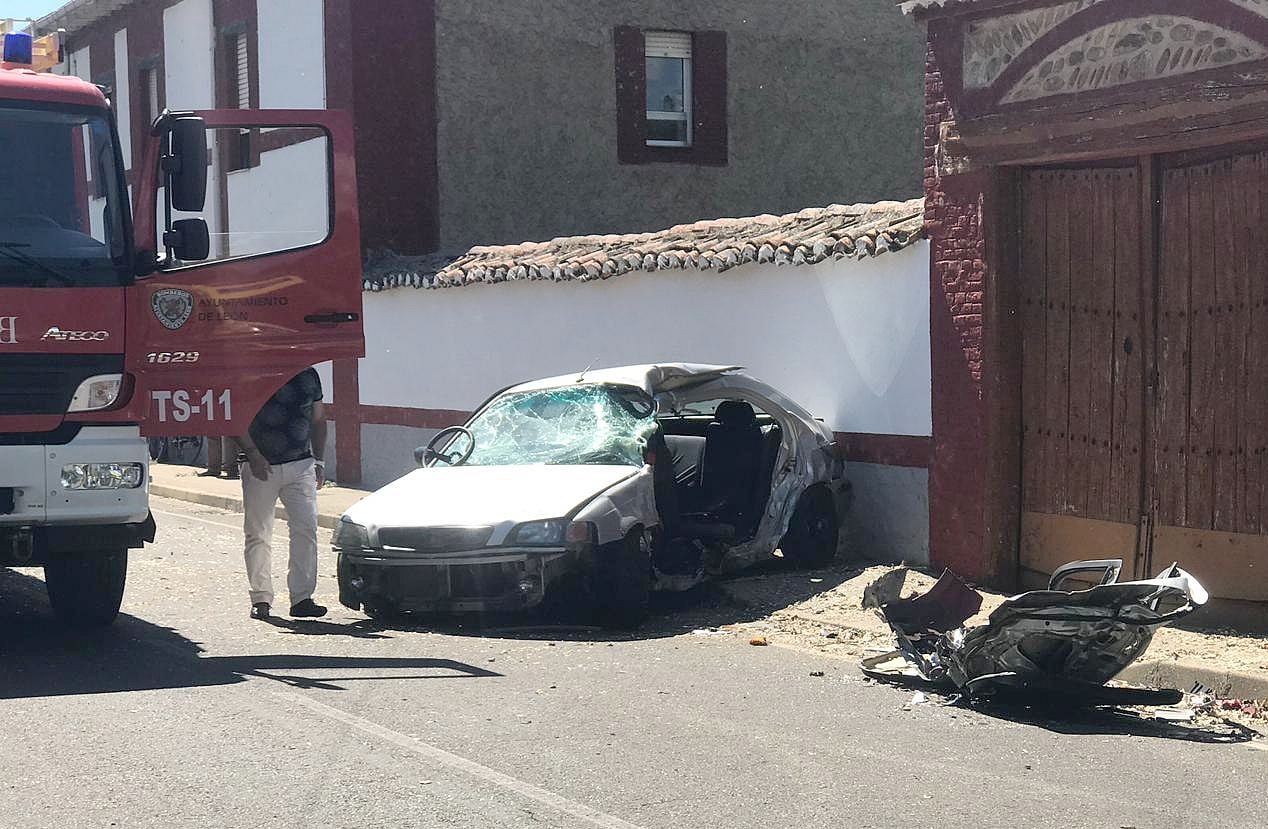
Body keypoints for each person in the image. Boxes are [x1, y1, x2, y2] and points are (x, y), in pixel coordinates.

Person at [235, 368, 328, 620]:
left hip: (301, 464)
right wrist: (253, 455)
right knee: (258, 533)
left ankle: (302, 598)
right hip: (259, 466)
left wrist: (319, 462)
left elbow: (319, 419)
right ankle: (261, 597)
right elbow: (234, 417)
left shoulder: (309, 375)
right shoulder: (251, 370)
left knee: (306, 529)